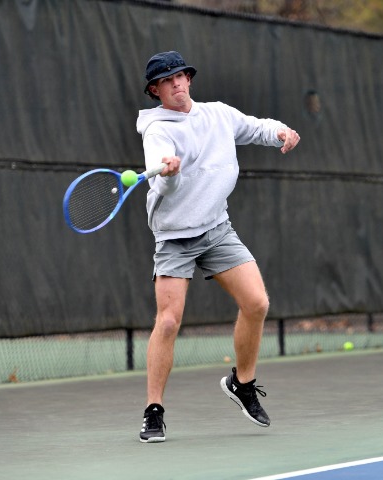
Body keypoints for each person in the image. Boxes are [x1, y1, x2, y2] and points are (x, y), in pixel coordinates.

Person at [136, 51, 300, 443]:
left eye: (180, 76)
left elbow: (255, 128)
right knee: (169, 321)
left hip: (215, 228)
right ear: (156, 91)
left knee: (257, 303)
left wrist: (280, 132)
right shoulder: (156, 130)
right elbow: (163, 183)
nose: (176, 83)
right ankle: (153, 410)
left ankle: (242, 383)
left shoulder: (219, 115)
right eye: (167, 80)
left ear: (189, 79)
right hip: (174, 237)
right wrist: (170, 173)